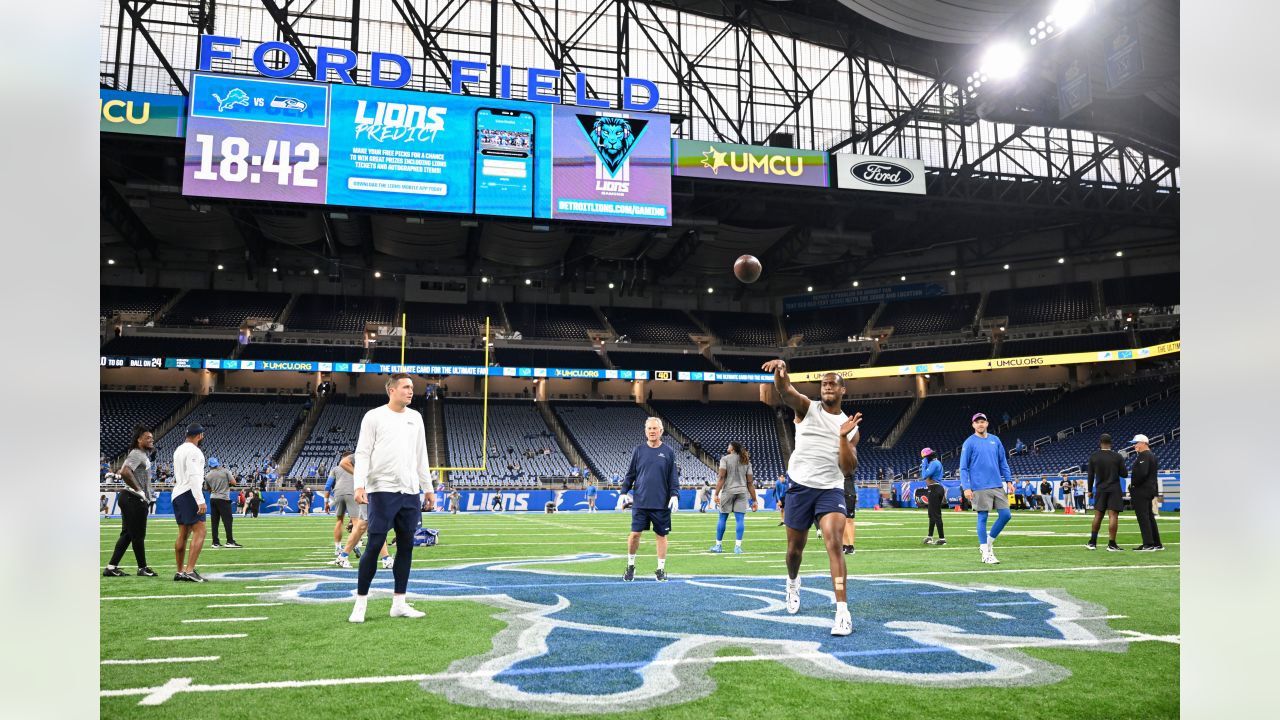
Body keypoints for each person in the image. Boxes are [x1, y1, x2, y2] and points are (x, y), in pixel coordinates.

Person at [762, 359, 861, 637]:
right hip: (800, 486)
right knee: (794, 551)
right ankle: (793, 582)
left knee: (834, 543)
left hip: (830, 489)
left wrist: (842, 438)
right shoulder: (807, 407)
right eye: (824, 383)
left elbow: (848, 468)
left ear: (843, 390)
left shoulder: (850, 426)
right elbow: (785, 391)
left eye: (833, 383)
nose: (827, 386)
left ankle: (842, 612)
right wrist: (781, 373)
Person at [349, 374, 435, 623]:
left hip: (410, 491)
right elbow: (362, 453)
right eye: (406, 387)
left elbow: (422, 455)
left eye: (412, 387)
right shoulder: (374, 416)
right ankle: (360, 604)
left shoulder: (415, 417)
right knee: (374, 545)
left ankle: (399, 603)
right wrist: (359, 485)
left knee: (406, 547)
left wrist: (427, 488)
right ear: (392, 390)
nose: (411, 391)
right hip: (382, 489)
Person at [620, 417, 681, 583]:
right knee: (634, 535)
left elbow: (672, 477)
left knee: (661, 536)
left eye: (655, 428)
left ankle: (660, 569)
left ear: (661, 431)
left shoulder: (668, 452)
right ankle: (631, 566)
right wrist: (623, 491)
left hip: (661, 503)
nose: (652, 431)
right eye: (649, 429)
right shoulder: (638, 450)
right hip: (640, 502)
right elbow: (630, 474)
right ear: (645, 431)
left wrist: (674, 494)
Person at [103, 425, 158, 578]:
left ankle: (111, 567)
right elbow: (125, 471)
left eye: (152, 437)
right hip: (133, 498)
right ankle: (142, 568)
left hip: (129, 498)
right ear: (139, 440)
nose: (151, 439)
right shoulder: (136, 453)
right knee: (138, 535)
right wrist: (139, 491)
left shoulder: (141, 454)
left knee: (128, 534)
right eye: (148, 437)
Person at [959, 412, 1013, 565]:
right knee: (982, 517)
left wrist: (1008, 480)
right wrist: (966, 487)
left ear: (987, 423)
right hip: (979, 486)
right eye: (977, 422)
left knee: (1006, 515)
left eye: (983, 421)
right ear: (973, 425)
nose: (980, 424)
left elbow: (1003, 462)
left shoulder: (995, 440)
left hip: (997, 484)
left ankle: (987, 544)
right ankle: (985, 552)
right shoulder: (969, 443)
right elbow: (963, 468)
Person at [171, 424, 210, 582]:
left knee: (183, 533)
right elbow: (194, 476)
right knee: (200, 530)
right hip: (189, 493)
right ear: (200, 435)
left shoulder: (179, 449)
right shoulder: (195, 451)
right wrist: (200, 500)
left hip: (177, 493)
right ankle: (190, 570)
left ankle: (180, 571)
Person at [709, 442, 757, 554]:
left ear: (732, 448)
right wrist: (754, 500)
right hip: (742, 492)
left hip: (728, 491)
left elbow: (721, 477)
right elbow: (750, 483)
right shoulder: (746, 461)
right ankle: (738, 547)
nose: (727, 447)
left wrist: (716, 494)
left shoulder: (725, 459)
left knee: (722, 518)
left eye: (729, 445)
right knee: (740, 520)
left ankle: (718, 546)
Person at [1085, 433, 1128, 551]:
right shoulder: (1117, 456)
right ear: (1111, 443)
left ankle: (1092, 542)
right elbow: (1124, 474)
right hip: (1114, 488)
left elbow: (1090, 475)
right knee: (1113, 516)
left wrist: (1089, 490)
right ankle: (1112, 544)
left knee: (1098, 515)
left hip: (1100, 488)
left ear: (1100, 442)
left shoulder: (1094, 456)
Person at [1126, 434, 1164, 551]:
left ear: (1143, 443)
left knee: (1143, 517)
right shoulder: (1150, 455)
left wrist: (1133, 485)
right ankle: (1156, 543)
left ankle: (1148, 544)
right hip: (1148, 490)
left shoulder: (1145, 455)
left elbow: (1142, 473)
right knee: (1149, 517)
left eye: (1135, 443)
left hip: (1142, 490)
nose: (1134, 446)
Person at [327, 451, 359, 559]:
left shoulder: (335, 469)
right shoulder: (356, 468)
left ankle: (337, 548)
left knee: (339, 520)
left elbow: (327, 486)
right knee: (356, 522)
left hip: (338, 492)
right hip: (352, 492)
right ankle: (354, 544)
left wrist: (326, 502)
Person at [204, 457, 241, 549]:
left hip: (213, 498)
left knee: (214, 521)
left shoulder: (208, 475)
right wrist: (225, 485)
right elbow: (234, 482)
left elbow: (207, 488)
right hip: (223, 498)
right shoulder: (225, 471)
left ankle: (215, 542)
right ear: (217, 464)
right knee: (227, 521)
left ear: (209, 466)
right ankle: (229, 541)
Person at [920, 448, 946, 545]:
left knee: (936, 515)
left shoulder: (934, 463)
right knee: (932, 515)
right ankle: (930, 537)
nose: (924, 459)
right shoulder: (935, 463)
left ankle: (942, 539)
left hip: (935, 488)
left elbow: (924, 475)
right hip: (934, 488)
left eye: (925, 457)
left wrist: (924, 464)